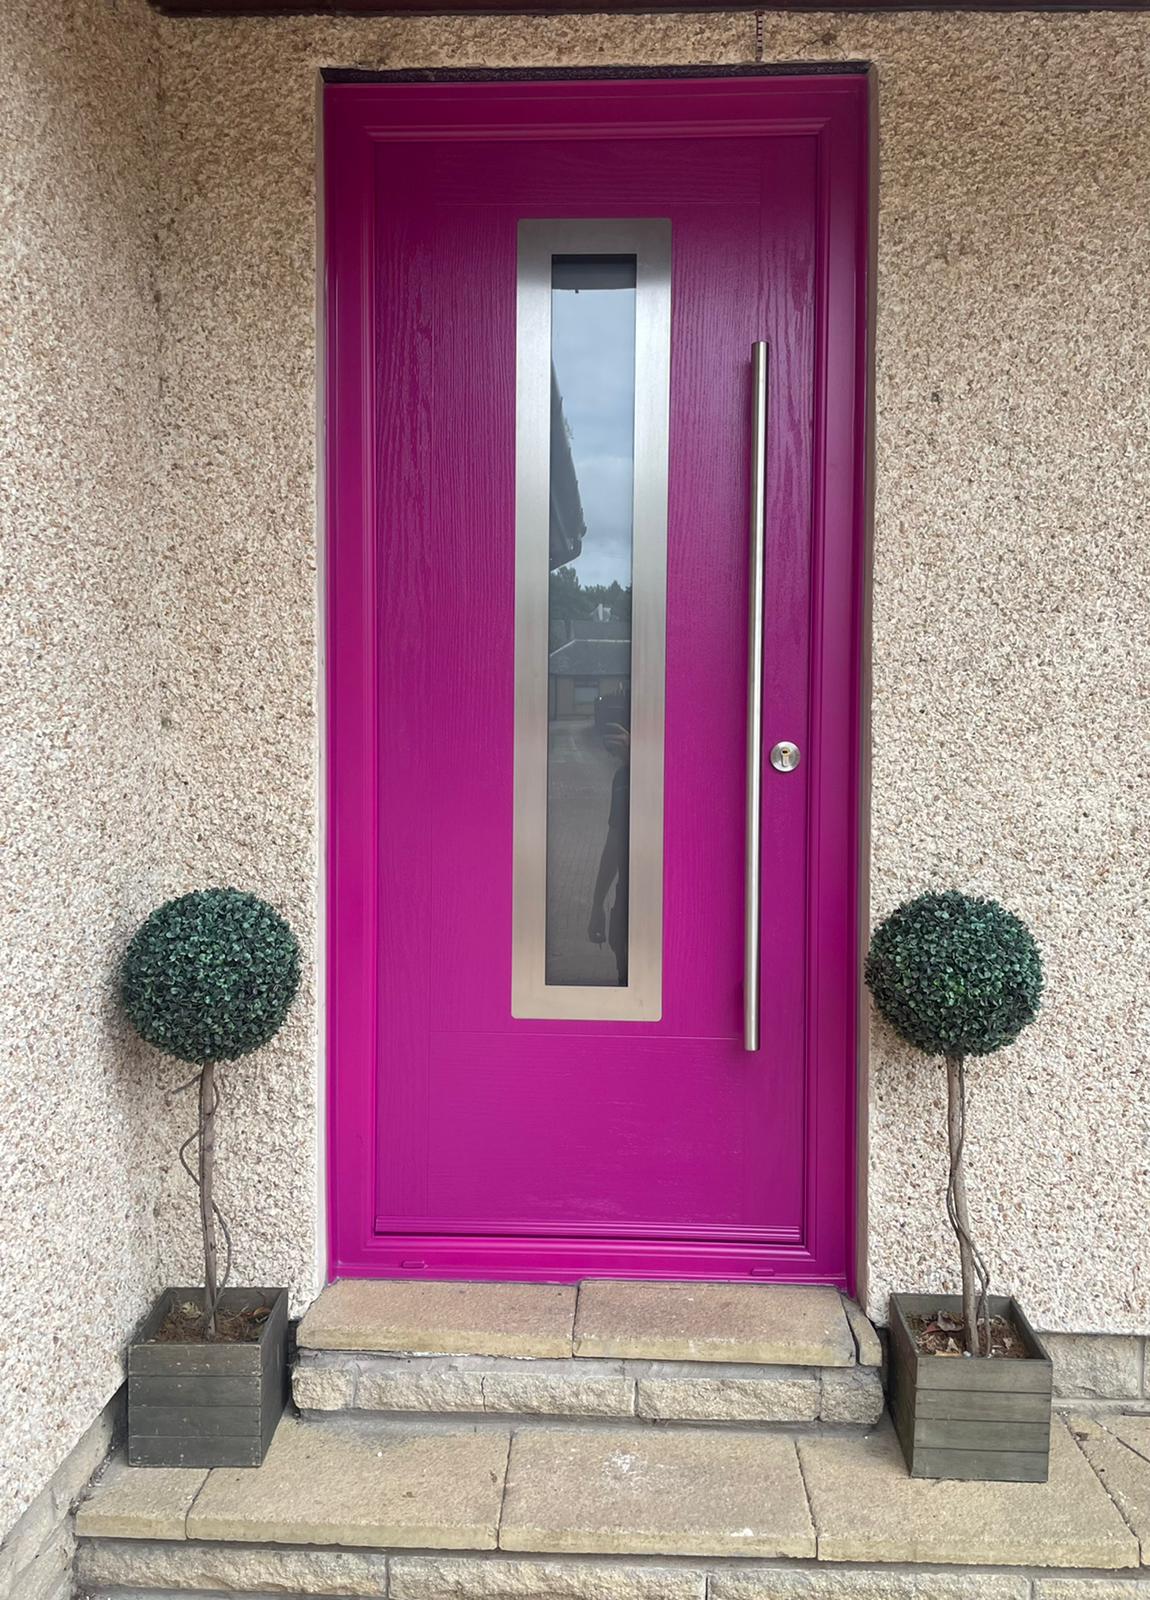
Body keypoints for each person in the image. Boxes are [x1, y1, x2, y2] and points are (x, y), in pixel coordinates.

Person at [587, 721, 629, 985]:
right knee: (625, 972)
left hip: (667, 902)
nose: (614, 754)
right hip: (626, 899)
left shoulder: (669, 774)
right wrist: (597, 905)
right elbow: (613, 845)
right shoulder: (622, 779)